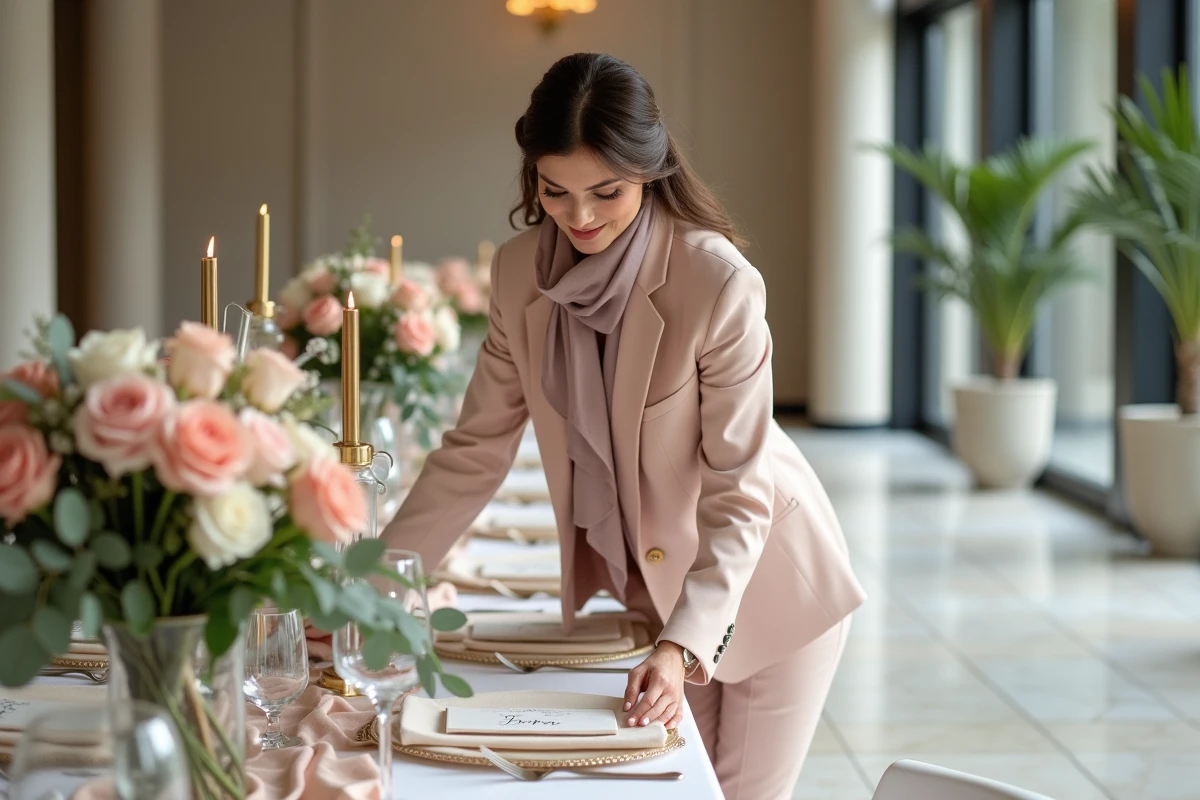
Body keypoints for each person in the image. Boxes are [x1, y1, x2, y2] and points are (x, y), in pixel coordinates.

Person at [381, 52, 865, 800]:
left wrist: (681, 645)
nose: (579, 218)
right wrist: (372, 590)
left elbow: (741, 490)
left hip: (766, 583)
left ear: (651, 168)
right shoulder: (518, 275)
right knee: (671, 782)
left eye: (606, 192)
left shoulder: (717, 282)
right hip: (656, 588)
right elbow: (474, 449)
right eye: (555, 191)